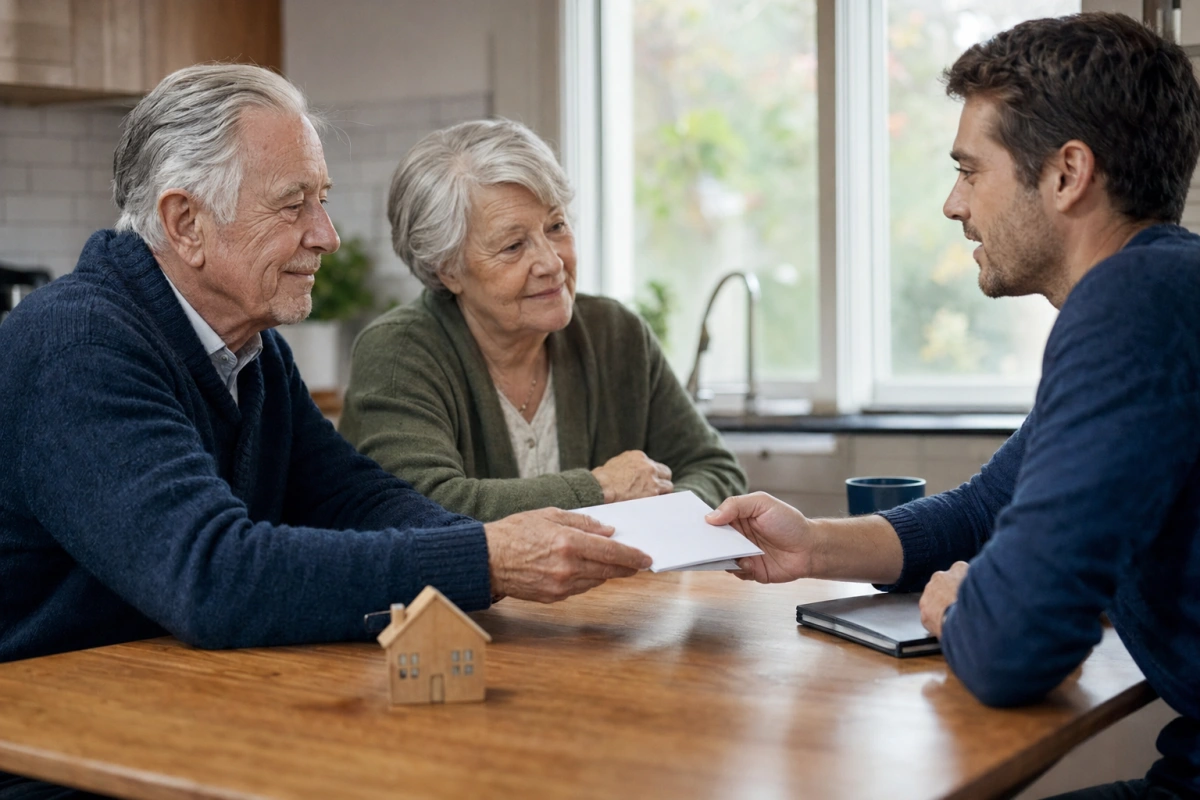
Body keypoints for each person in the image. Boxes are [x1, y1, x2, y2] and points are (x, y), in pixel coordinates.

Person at [0, 66, 654, 664]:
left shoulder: (254, 353)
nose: (326, 235)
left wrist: (518, 549)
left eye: (323, 199)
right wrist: (486, 559)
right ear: (186, 223)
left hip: (160, 694)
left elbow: (355, 499)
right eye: (294, 205)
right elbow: (214, 578)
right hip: (44, 745)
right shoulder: (77, 342)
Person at [707, 12, 1200, 800]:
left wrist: (960, 610)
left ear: (1067, 174)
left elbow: (1015, 650)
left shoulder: (1131, 304)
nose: (951, 203)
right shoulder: (1165, 293)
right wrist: (813, 548)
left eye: (971, 170)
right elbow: (986, 508)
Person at [338, 119, 746, 522]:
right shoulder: (398, 352)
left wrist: (648, 515)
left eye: (556, 226)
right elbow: (422, 507)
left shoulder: (616, 333)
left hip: (616, 592)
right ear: (447, 270)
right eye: (514, 246)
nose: (552, 262)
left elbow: (717, 472)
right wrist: (600, 490)